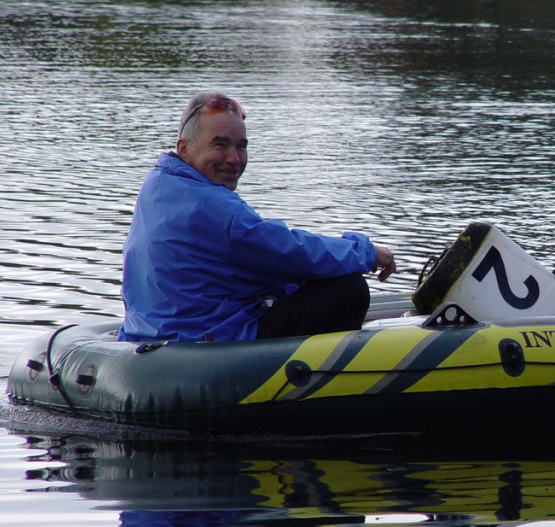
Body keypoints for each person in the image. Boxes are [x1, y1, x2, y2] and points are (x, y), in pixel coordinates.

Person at [118, 91, 397, 343]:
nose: (234, 159)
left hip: (155, 330)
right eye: (220, 145)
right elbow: (289, 252)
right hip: (202, 341)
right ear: (184, 148)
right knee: (348, 289)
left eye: (241, 146)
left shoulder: (157, 185)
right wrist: (367, 252)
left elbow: (242, 263)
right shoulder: (213, 206)